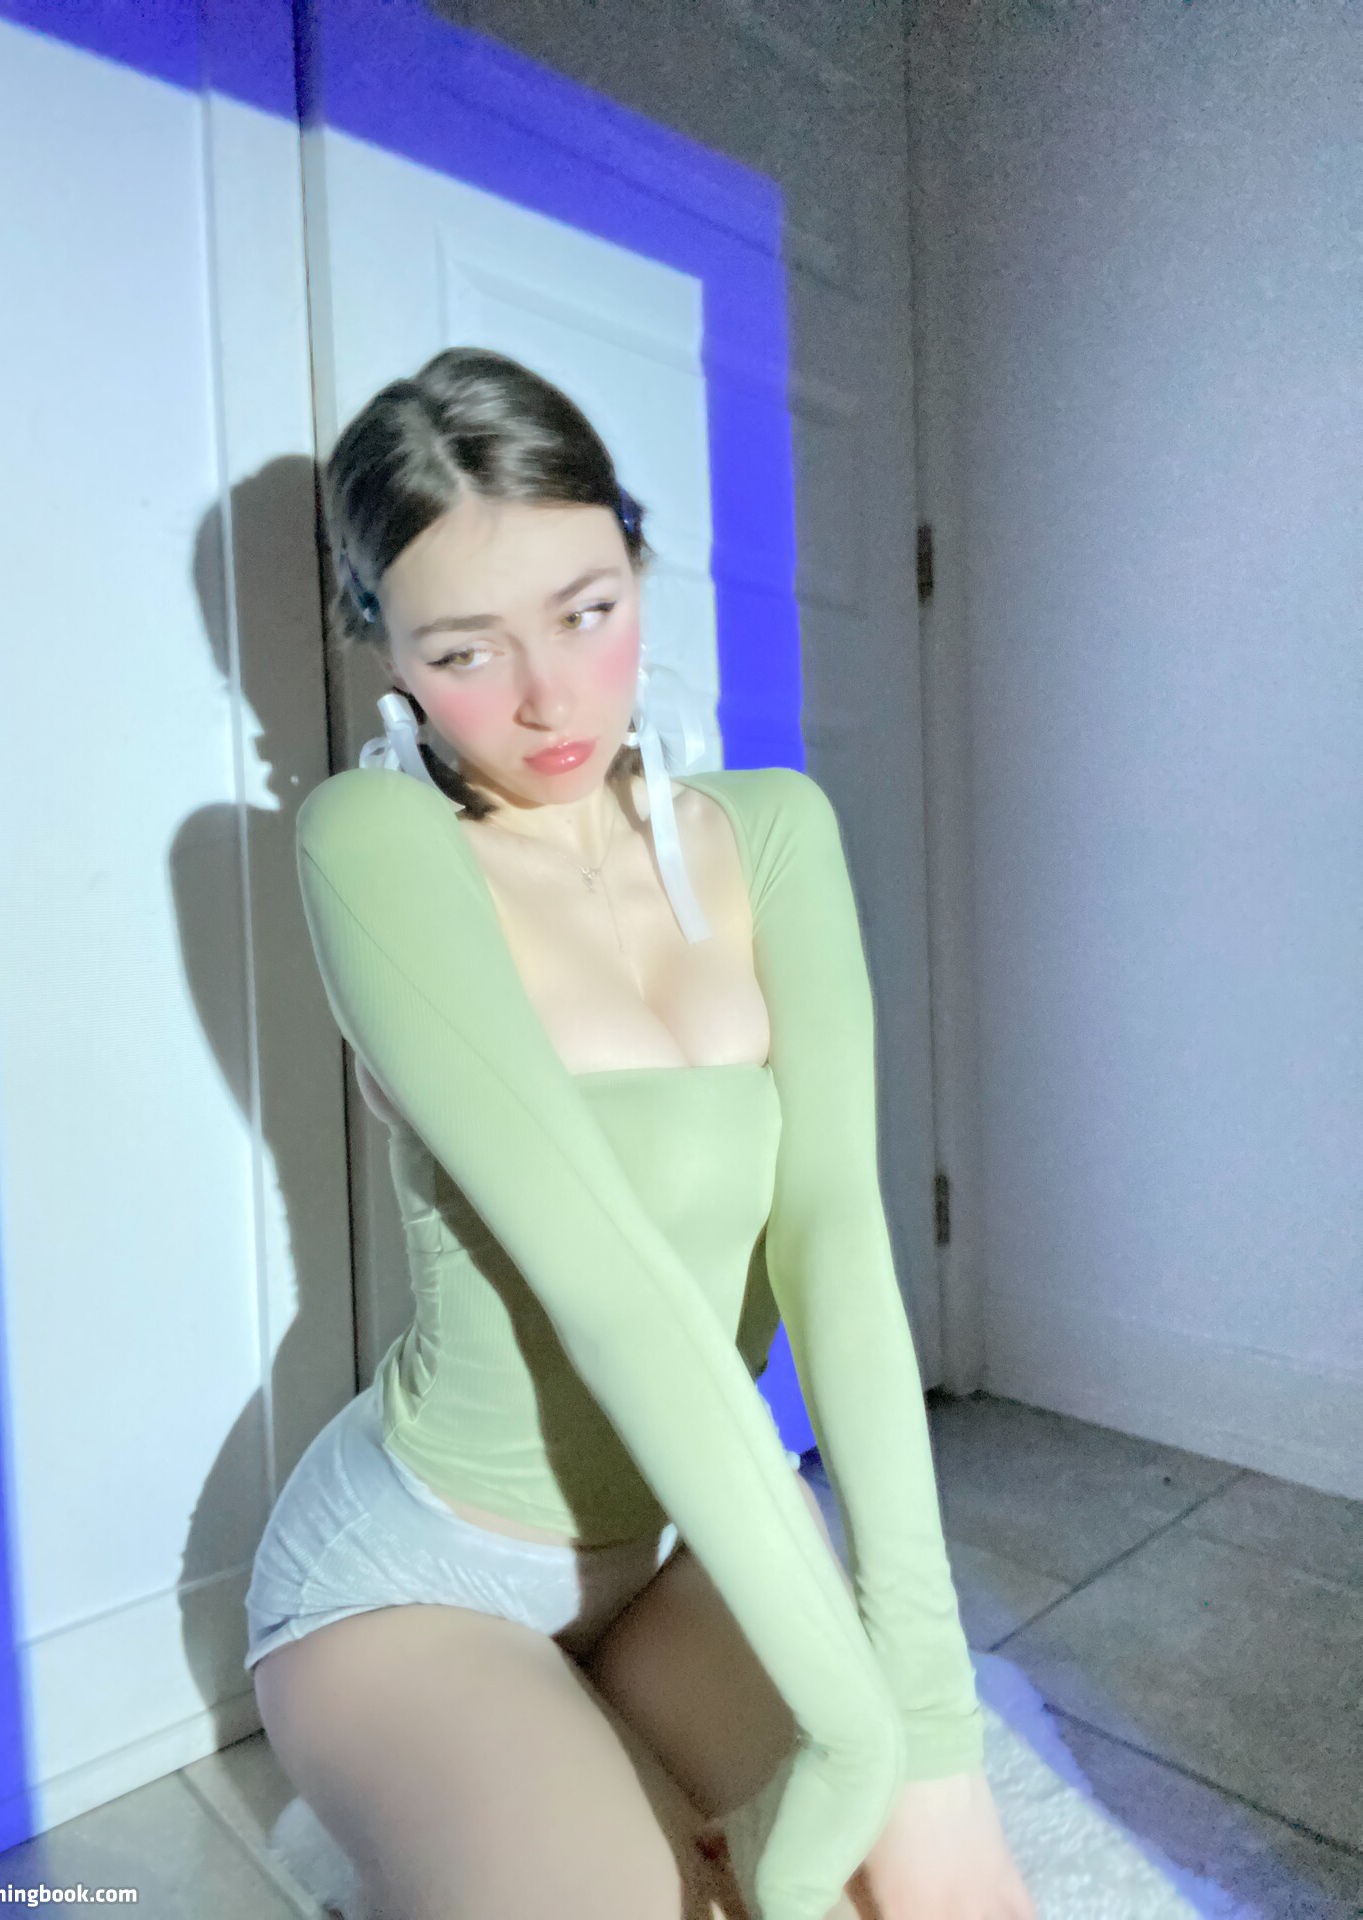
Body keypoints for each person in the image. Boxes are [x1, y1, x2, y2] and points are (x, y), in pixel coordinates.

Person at [245, 348, 1033, 1920]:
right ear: (386, 651)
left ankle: (573, 1770)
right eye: (465, 649)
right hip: (415, 1586)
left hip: (672, 1556)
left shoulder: (776, 830)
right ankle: (469, 1796)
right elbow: (609, 1285)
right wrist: (852, 1728)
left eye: (586, 611)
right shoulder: (376, 841)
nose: (548, 697)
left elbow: (835, 1239)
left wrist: (928, 1728)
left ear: (638, 567)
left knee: (942, 1881)